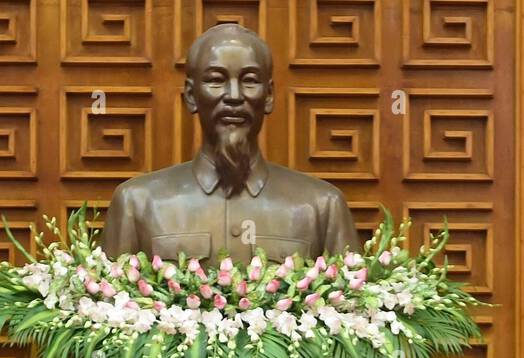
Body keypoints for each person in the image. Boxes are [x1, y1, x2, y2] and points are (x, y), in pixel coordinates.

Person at [102, 24, 358, 262]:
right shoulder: (138, 203)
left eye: (250, 81)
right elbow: (108, 305)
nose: (234, 96)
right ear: (191, 96)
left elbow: (351, 305)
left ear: (268, 96)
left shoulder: (322, 206)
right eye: (216, 79)